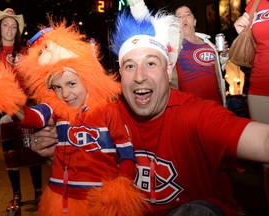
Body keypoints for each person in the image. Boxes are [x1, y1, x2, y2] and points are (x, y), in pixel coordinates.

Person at [30, 1, 269, 215]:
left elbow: (263, 141)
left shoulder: (195, 115)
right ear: (120, 74)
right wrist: (57, 149)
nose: (140, 77)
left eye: (151, 63)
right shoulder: (105, 115)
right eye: (130, 66)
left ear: (167, 70)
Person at [0, 21, 148, 216]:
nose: (65, 94)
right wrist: (6, 98)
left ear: (87, 78)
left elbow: (126, 155)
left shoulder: (110, 111)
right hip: (60, 200)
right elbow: (32, 118)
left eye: (72, 83)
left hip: (100, 203)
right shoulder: (57, 109)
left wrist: (122, 186)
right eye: (57, 87)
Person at [0, 8, 44, 210]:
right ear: (0, 29)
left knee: (32, 151)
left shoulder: (25, 53)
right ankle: (16, 195)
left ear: (18, 31)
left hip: (27, 108)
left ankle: (38, 192)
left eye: (13, 26)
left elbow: (35, 81)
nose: (9, 29)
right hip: (5, 113)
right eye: (6, 25)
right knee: (11, 155)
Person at [234, 0, 269, 205]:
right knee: (267, 160)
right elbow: (252, 40)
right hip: (259, 87)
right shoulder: (255, 3)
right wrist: (242, 30)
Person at [171, 4, 229, 106]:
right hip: (190, 107)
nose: (184, 18)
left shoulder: (209, 44)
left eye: (188, 15)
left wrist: (223, 55)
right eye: (179, 17)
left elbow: (220, 69)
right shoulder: (174, 47)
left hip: (216, 105)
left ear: (194, 21)